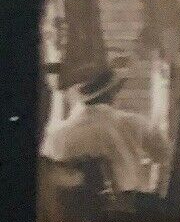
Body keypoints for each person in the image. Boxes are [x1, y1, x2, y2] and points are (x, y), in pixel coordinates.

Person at [41, 65, 171, 201]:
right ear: (112, 93)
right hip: (124, 214)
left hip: (70, 216)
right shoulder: (134, 123)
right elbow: (166, 156)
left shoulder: (56, 136)